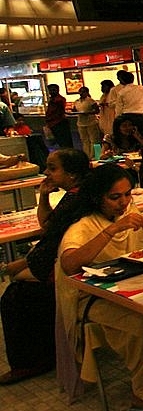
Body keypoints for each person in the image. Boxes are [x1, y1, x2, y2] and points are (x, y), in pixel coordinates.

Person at [57, 164, 143, 408]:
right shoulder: (83, 226)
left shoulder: (129, 214)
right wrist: (112, 230)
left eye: (127, 195)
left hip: (131, 287)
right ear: (97, 197)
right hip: (94, 299)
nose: (124, 202)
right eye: (115, 197)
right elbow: (69, 264)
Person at [0, 149, 90, 384]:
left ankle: (30, 362)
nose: (47, 173)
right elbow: (50, 228)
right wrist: (44, 197)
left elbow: (51, 234)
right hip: (62, 261)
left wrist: (22, 263)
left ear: (71, 174)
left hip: (67, 267)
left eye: (52, 168)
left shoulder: (76, 198)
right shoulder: (79, 194)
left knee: (14, 293)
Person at [74, 86, 102, 160]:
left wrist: (88, 113)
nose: (81, 93)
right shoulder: (77, 101)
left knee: (94, 140)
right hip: (81, 122)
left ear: (87, 92)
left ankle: (97, 155)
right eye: (80, 92)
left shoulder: (91, 101)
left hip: (91, 122)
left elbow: (97, 111)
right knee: (84, 140)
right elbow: (74, 110)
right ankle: (87, 156)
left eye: (83, 92)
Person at [44, 83, 74, 149]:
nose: (51, 92)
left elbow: (55, 112)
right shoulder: (52, 99)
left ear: (57, 90)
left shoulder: (59, 100)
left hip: (59, 123)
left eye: (53, 90)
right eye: (50, 90)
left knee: (64, 142)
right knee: (61, 142)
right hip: (54, 123)